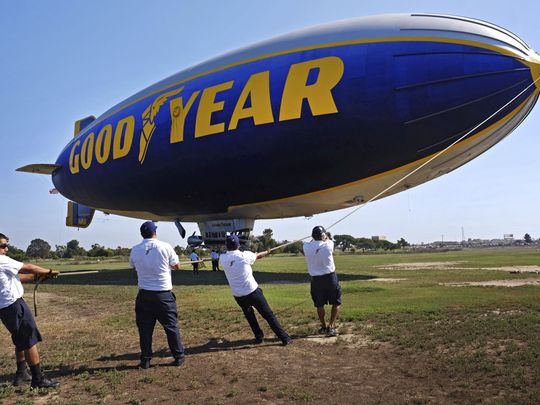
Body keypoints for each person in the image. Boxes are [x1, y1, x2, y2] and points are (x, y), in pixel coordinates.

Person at [0, 232, 60, 389]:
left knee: (20, 337)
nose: (6, 249)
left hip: (6, 308)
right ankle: (38, 379)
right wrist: (47, 271)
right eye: (3, 246)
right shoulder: (1, 260)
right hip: (13, 305)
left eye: (6, 245)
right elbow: (27, 267)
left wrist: (36, 277)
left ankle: (21, 372)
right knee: (29, 340)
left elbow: (17, 277)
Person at [129, 221, 185, 369]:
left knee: (145, 330)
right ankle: (178, 357)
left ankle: (145, 360)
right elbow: (176, 266)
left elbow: (133, 266)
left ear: (142, 234)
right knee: (171, 327)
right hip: (163, 295)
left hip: (144, 296)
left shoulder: (135, 250)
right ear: (155, 232)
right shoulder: (165, 246)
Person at [219, 235, 292, 345]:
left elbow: (228, 258)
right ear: (238, 245)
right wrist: (267, 252)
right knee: (268, 315)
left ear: (226, 245)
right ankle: (284, 338)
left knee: (250, 316)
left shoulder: (223, 258)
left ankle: (259, 337)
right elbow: (257, 256)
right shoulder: (244, 255)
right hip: (253, 292)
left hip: (238, 296)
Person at [302, 226, 342, 336]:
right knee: (336, 302)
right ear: (323, 235)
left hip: (316, 280)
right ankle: (331, 326)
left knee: (319, 305)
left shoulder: (306, 247)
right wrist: (325, 236)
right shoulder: (328, 245)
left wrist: (313, 238)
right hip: (330, 278)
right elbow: (328, 239)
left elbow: (309, 243)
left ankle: (324, 326)